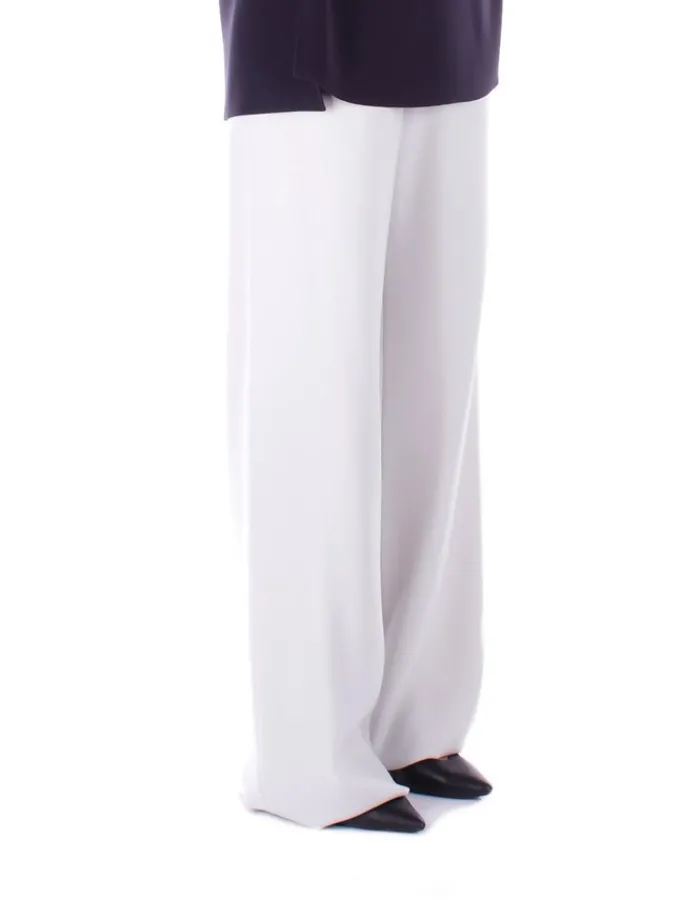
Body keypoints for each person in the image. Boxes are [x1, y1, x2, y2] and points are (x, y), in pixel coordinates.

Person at [219, 0, 503, 833]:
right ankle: (305, 756)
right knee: (314, 387)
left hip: (451, 30)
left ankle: (412, 724)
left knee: (434, 387)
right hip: (310, 45)